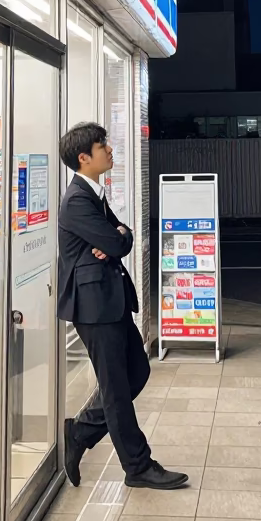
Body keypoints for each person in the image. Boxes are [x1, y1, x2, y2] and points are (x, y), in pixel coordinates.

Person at [58, 121, 187, 490]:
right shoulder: (77, 201)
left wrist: (118, 236)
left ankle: (81, 432)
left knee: (136, 373)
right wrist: (114, 238)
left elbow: (124, 236)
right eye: (103, 146)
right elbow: (115, 243)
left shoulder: (93, 194)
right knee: (116, 389)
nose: (110, 150)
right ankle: (138, 466)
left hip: (109, 300)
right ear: (84, 158)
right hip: (94, 307)